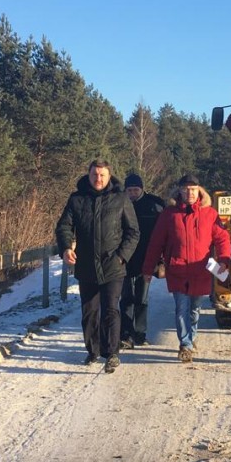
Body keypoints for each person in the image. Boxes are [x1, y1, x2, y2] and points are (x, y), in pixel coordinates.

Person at [55, 159, 140, 373]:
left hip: (113, 265)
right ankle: (93, 350)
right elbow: (64, 226)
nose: (98, 179)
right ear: (89, 175)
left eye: (102, 175)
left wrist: (122, 256)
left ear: (109, 176)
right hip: (86, 265)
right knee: (89, 311)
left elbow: (133, 232)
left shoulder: (120, 199)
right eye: (95, 175)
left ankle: (112, 353)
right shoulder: (77, 199)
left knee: (111, 310)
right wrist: (66, 247)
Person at [142, 173, 231, 363]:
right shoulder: (169, 214)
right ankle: (185, 345)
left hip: (201, 270)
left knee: (195, 309)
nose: (189, 192)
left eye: (193, 189)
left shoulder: (210, 213)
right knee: (181, 308)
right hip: (178, 269)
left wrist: (223, 261)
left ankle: (191, 336)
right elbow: (156, 243)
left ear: (199, 190)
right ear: (179, 191)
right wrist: (148, 269)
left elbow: (222, 238)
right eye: (185, 189)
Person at [119, 173, 165, 349]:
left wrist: (160, 260)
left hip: (146, 260)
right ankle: (126, 334)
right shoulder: (119, 204)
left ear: (142, 188)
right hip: (125, 259)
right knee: (126, 298)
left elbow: (162, 234)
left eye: (135, 189)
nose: (132, 193)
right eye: (129, 190)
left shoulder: (155, 205)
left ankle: (140, 334)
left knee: (142, 299)